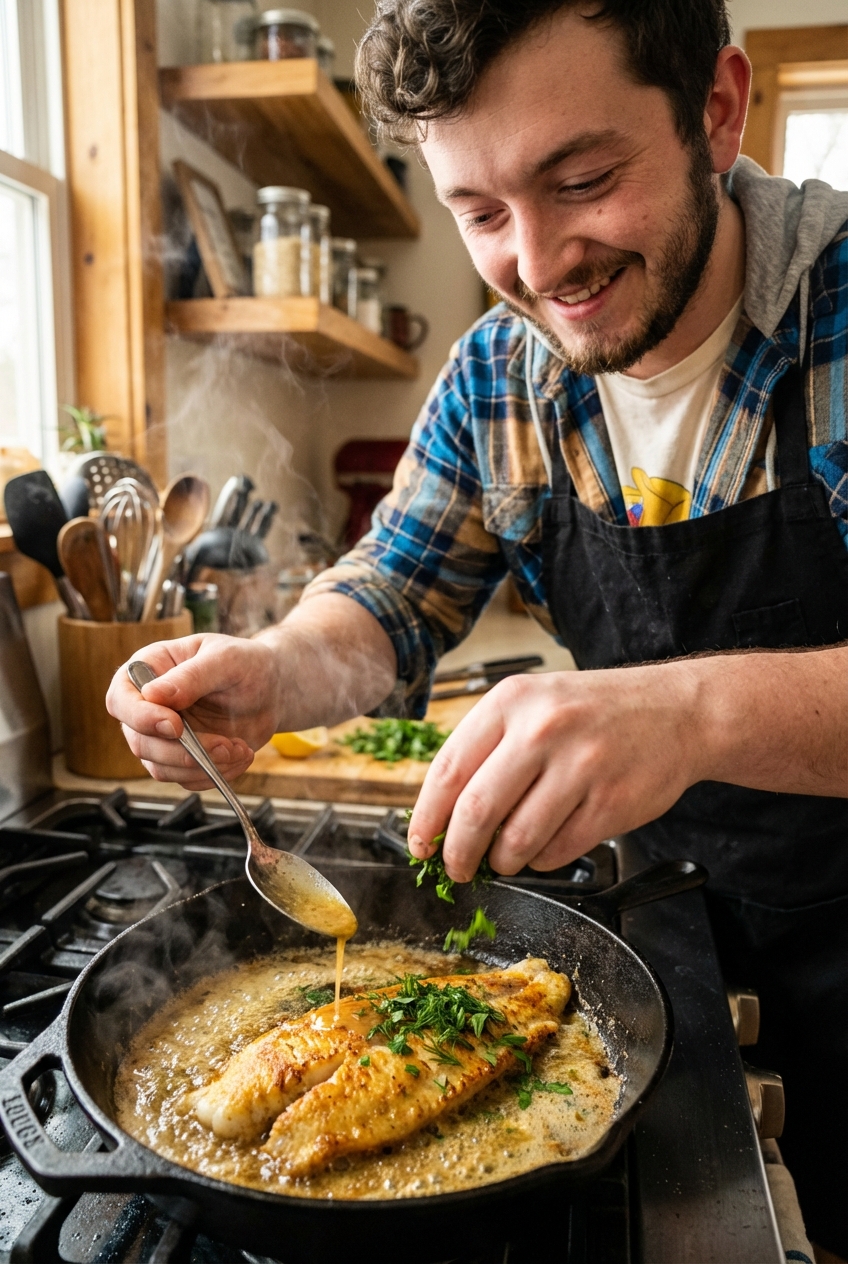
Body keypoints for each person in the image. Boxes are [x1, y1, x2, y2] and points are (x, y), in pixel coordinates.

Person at [107, 2, 847, 1255]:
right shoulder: (499, 375)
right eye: (479, 211)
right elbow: (391, 594)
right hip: (656, 933)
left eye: (582, 180)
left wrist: (687, 710)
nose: (539, 261)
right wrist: (274, 672)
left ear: (717, 108)